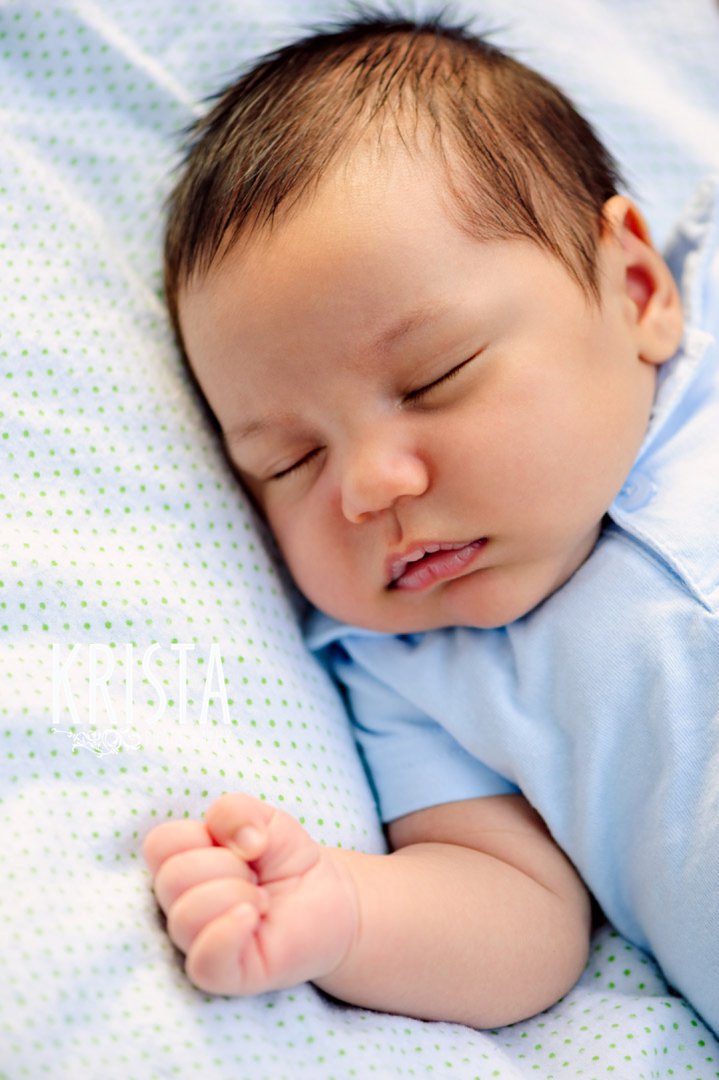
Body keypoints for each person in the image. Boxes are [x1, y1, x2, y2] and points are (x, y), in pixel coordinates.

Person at [142, 9, 719, 1032]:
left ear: (634, 287)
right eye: (291, 461)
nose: (366, 487)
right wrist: (344, 912)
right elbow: (518, 927)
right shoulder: (412, 672)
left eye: (432, 376)